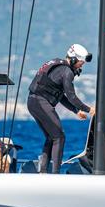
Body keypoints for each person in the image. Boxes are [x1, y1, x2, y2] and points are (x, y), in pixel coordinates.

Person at [27, 44, 95, 174]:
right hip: (40, 101)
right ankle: (56, 174)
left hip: (33, 101)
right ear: (74, 59)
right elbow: (72, 97)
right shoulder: (67, 72)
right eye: (81, 62)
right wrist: (89, 109)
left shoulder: (61, 67)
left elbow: (61, 96)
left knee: (51, 136)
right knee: (59, 136)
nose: (82, 65)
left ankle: (43, 172)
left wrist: (76, 111)